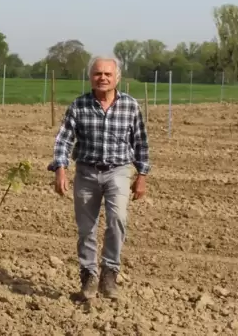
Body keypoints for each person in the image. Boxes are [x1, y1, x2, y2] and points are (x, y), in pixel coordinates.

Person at [47, 55, 150, 300]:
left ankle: (110, 274)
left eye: (107, 74)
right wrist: (60, 168)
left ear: (117, 78)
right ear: (90, 77)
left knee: (117, 219)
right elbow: (64, 139)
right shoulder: (78, 105)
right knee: (86, 229)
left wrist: (142, 174)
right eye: (97, 74)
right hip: (86, 172)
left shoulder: (131, 106)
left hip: (118, 171)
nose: (102, 78)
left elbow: (141, 143)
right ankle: (89, 276)